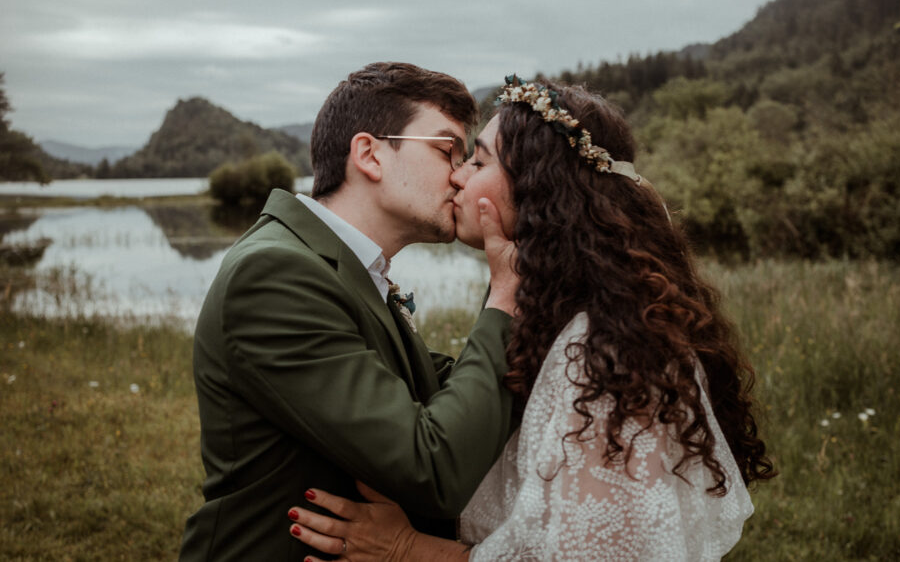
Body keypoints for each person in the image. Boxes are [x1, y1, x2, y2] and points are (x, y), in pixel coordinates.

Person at [288, 76, 776, 560]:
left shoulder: (605, 354)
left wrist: (406, 548)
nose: (457, 176)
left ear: (539, 189)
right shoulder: (558, 323)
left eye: (477, 160)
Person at [179, 62, 520, 561]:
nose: (459, 174)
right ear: (370, 155)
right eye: (447, 149)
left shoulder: (338, 265)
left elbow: (428, 389)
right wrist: (504, 300)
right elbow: (432, 467)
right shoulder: (275, 274)